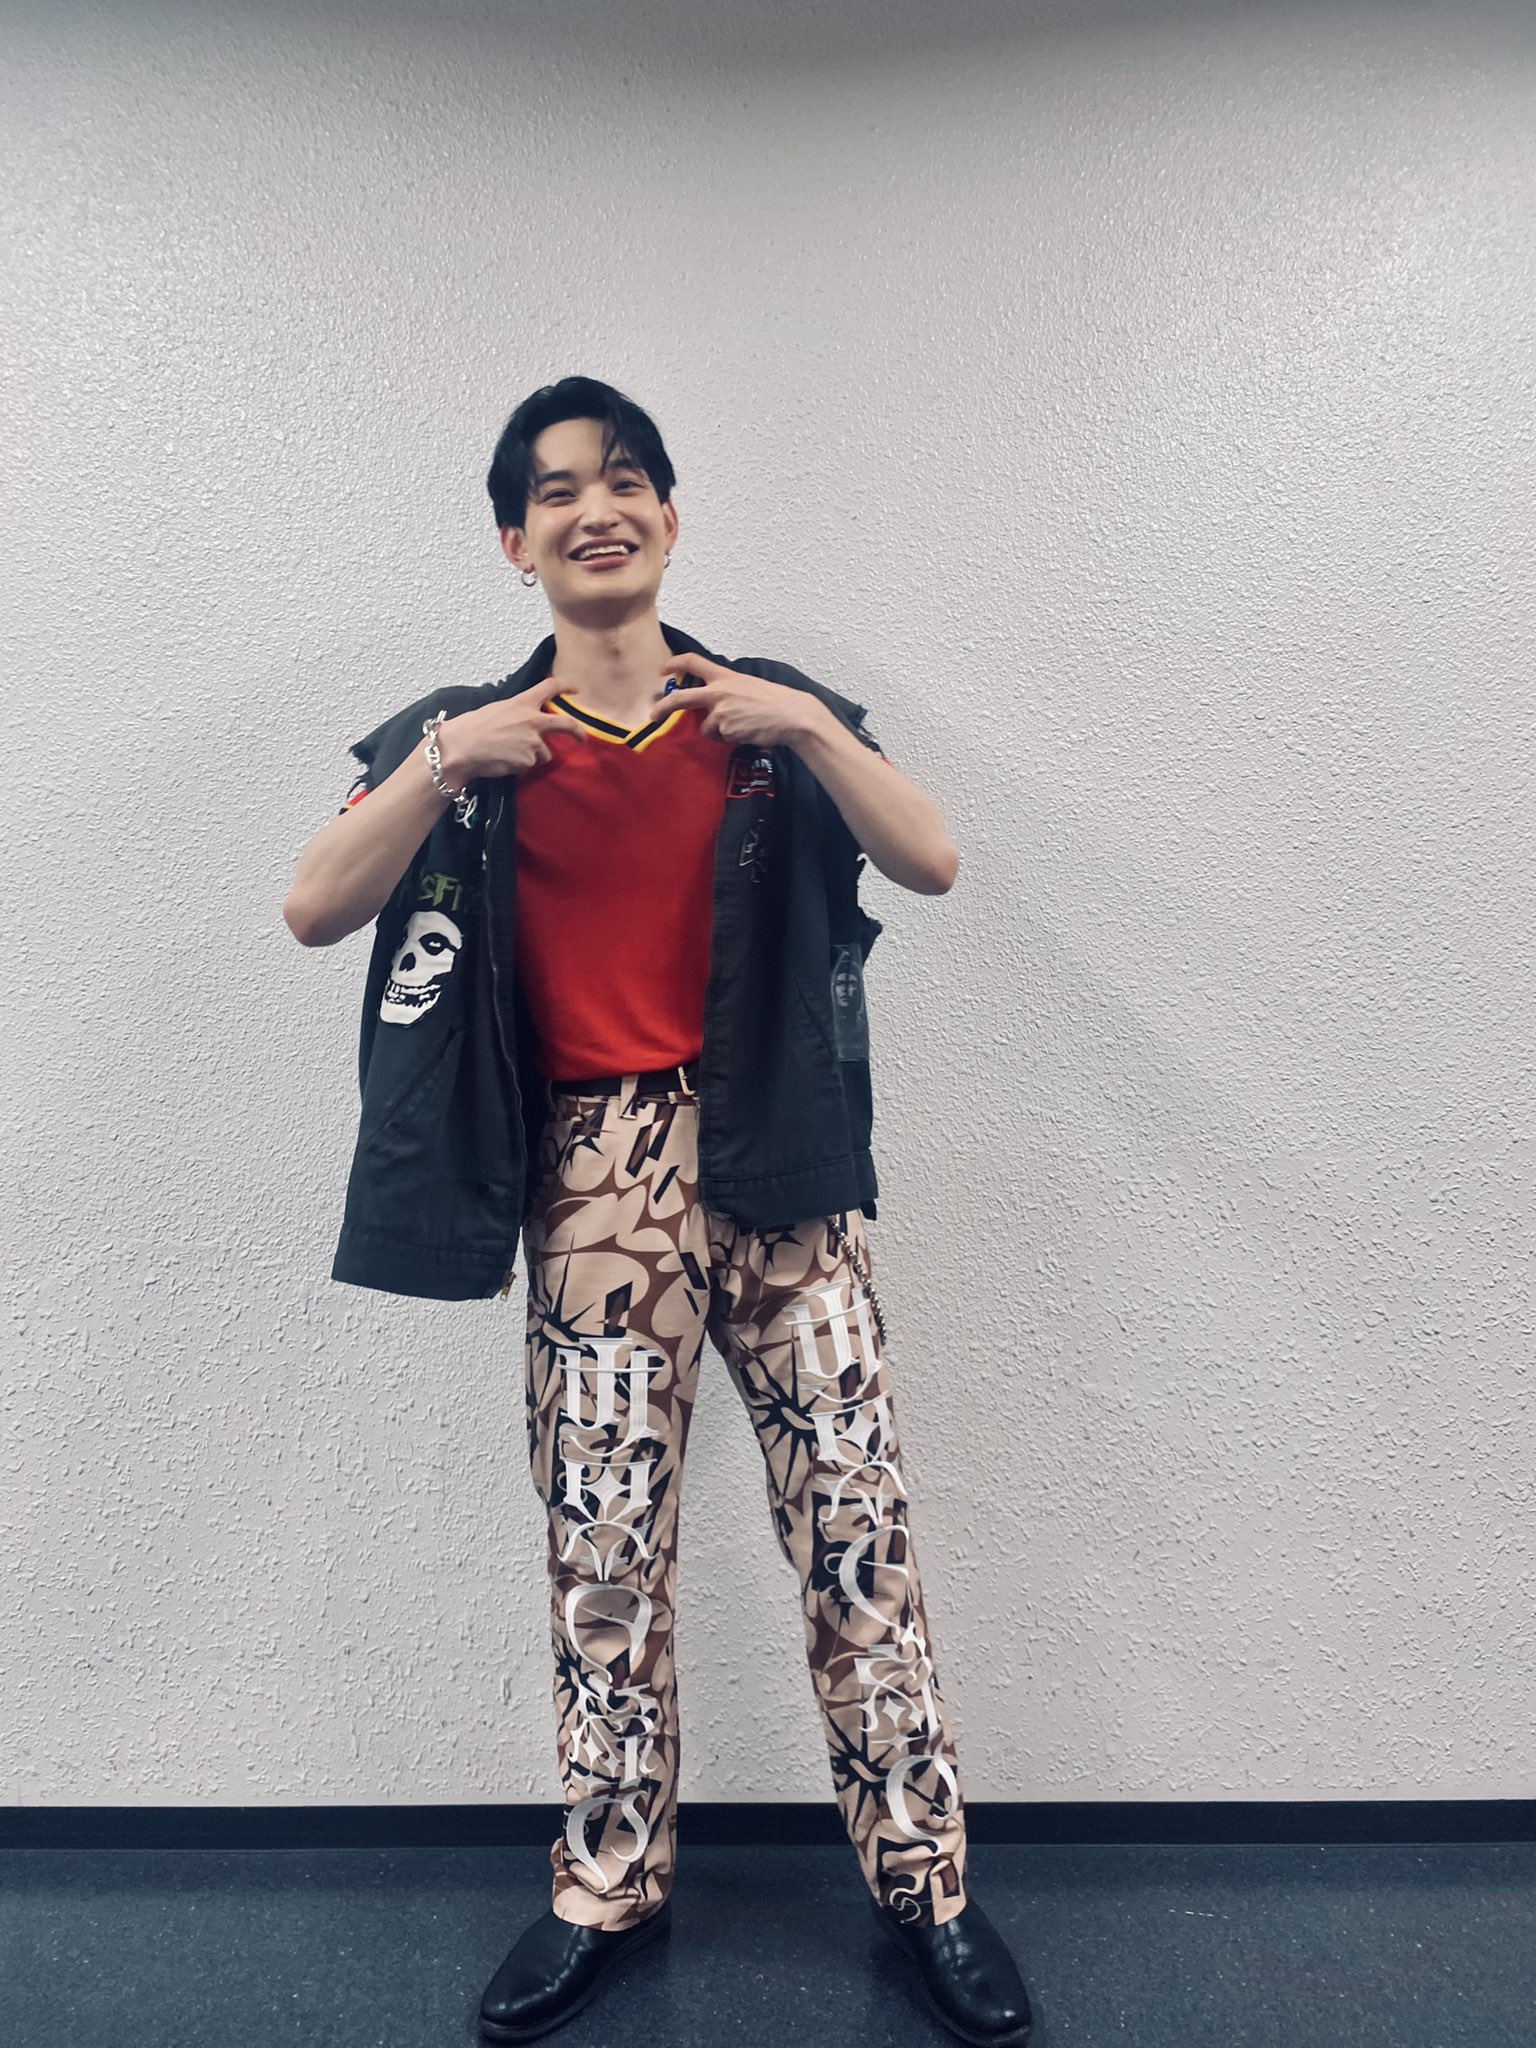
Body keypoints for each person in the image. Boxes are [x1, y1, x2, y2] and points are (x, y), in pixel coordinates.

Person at [282, 377, 1034, 2046]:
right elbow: (313, 904)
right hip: (594, 1175)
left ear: (671, 518)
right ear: (515, 540)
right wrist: (442, 760)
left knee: (855, 1523)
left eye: (625, 480)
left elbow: (932, 858)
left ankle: (927, 1888)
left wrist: (812, 726)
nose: (594, 508)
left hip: (780, 1154)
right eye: (556, 491)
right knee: (606, 1540)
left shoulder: (769, 721)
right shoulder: (468, 737)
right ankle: (607, 1879)